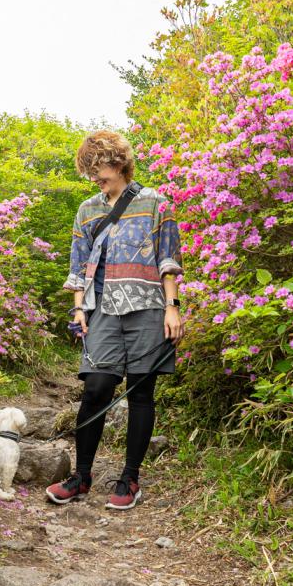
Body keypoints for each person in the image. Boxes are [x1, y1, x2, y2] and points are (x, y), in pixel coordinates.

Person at [46, 130, 184, 511]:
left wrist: (172, 307)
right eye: (89, 171)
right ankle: (82, 475)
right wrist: (79, 310)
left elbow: (168, 260)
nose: (95, 177)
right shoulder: (88, 209)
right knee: (95, 390)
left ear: (120, 162)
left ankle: (130, 477)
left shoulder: (156, 202)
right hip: (102, 309)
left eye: (99, 168)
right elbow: (78, 265)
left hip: (148, 307)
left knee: (141, 393)